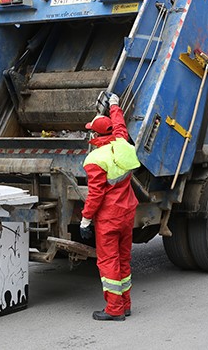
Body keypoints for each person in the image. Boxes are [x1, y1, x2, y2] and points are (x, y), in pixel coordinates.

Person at [80, 94, 140, 322]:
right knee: (124, 259)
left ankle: (114, 309)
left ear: (95, 135)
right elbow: (120, 126)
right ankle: (125, 304)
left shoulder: (95, 159)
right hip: (127, 213)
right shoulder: (122, 144)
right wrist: (114, 105)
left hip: (109, 217)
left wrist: (85, 220)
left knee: (108, 261)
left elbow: (95, 195)